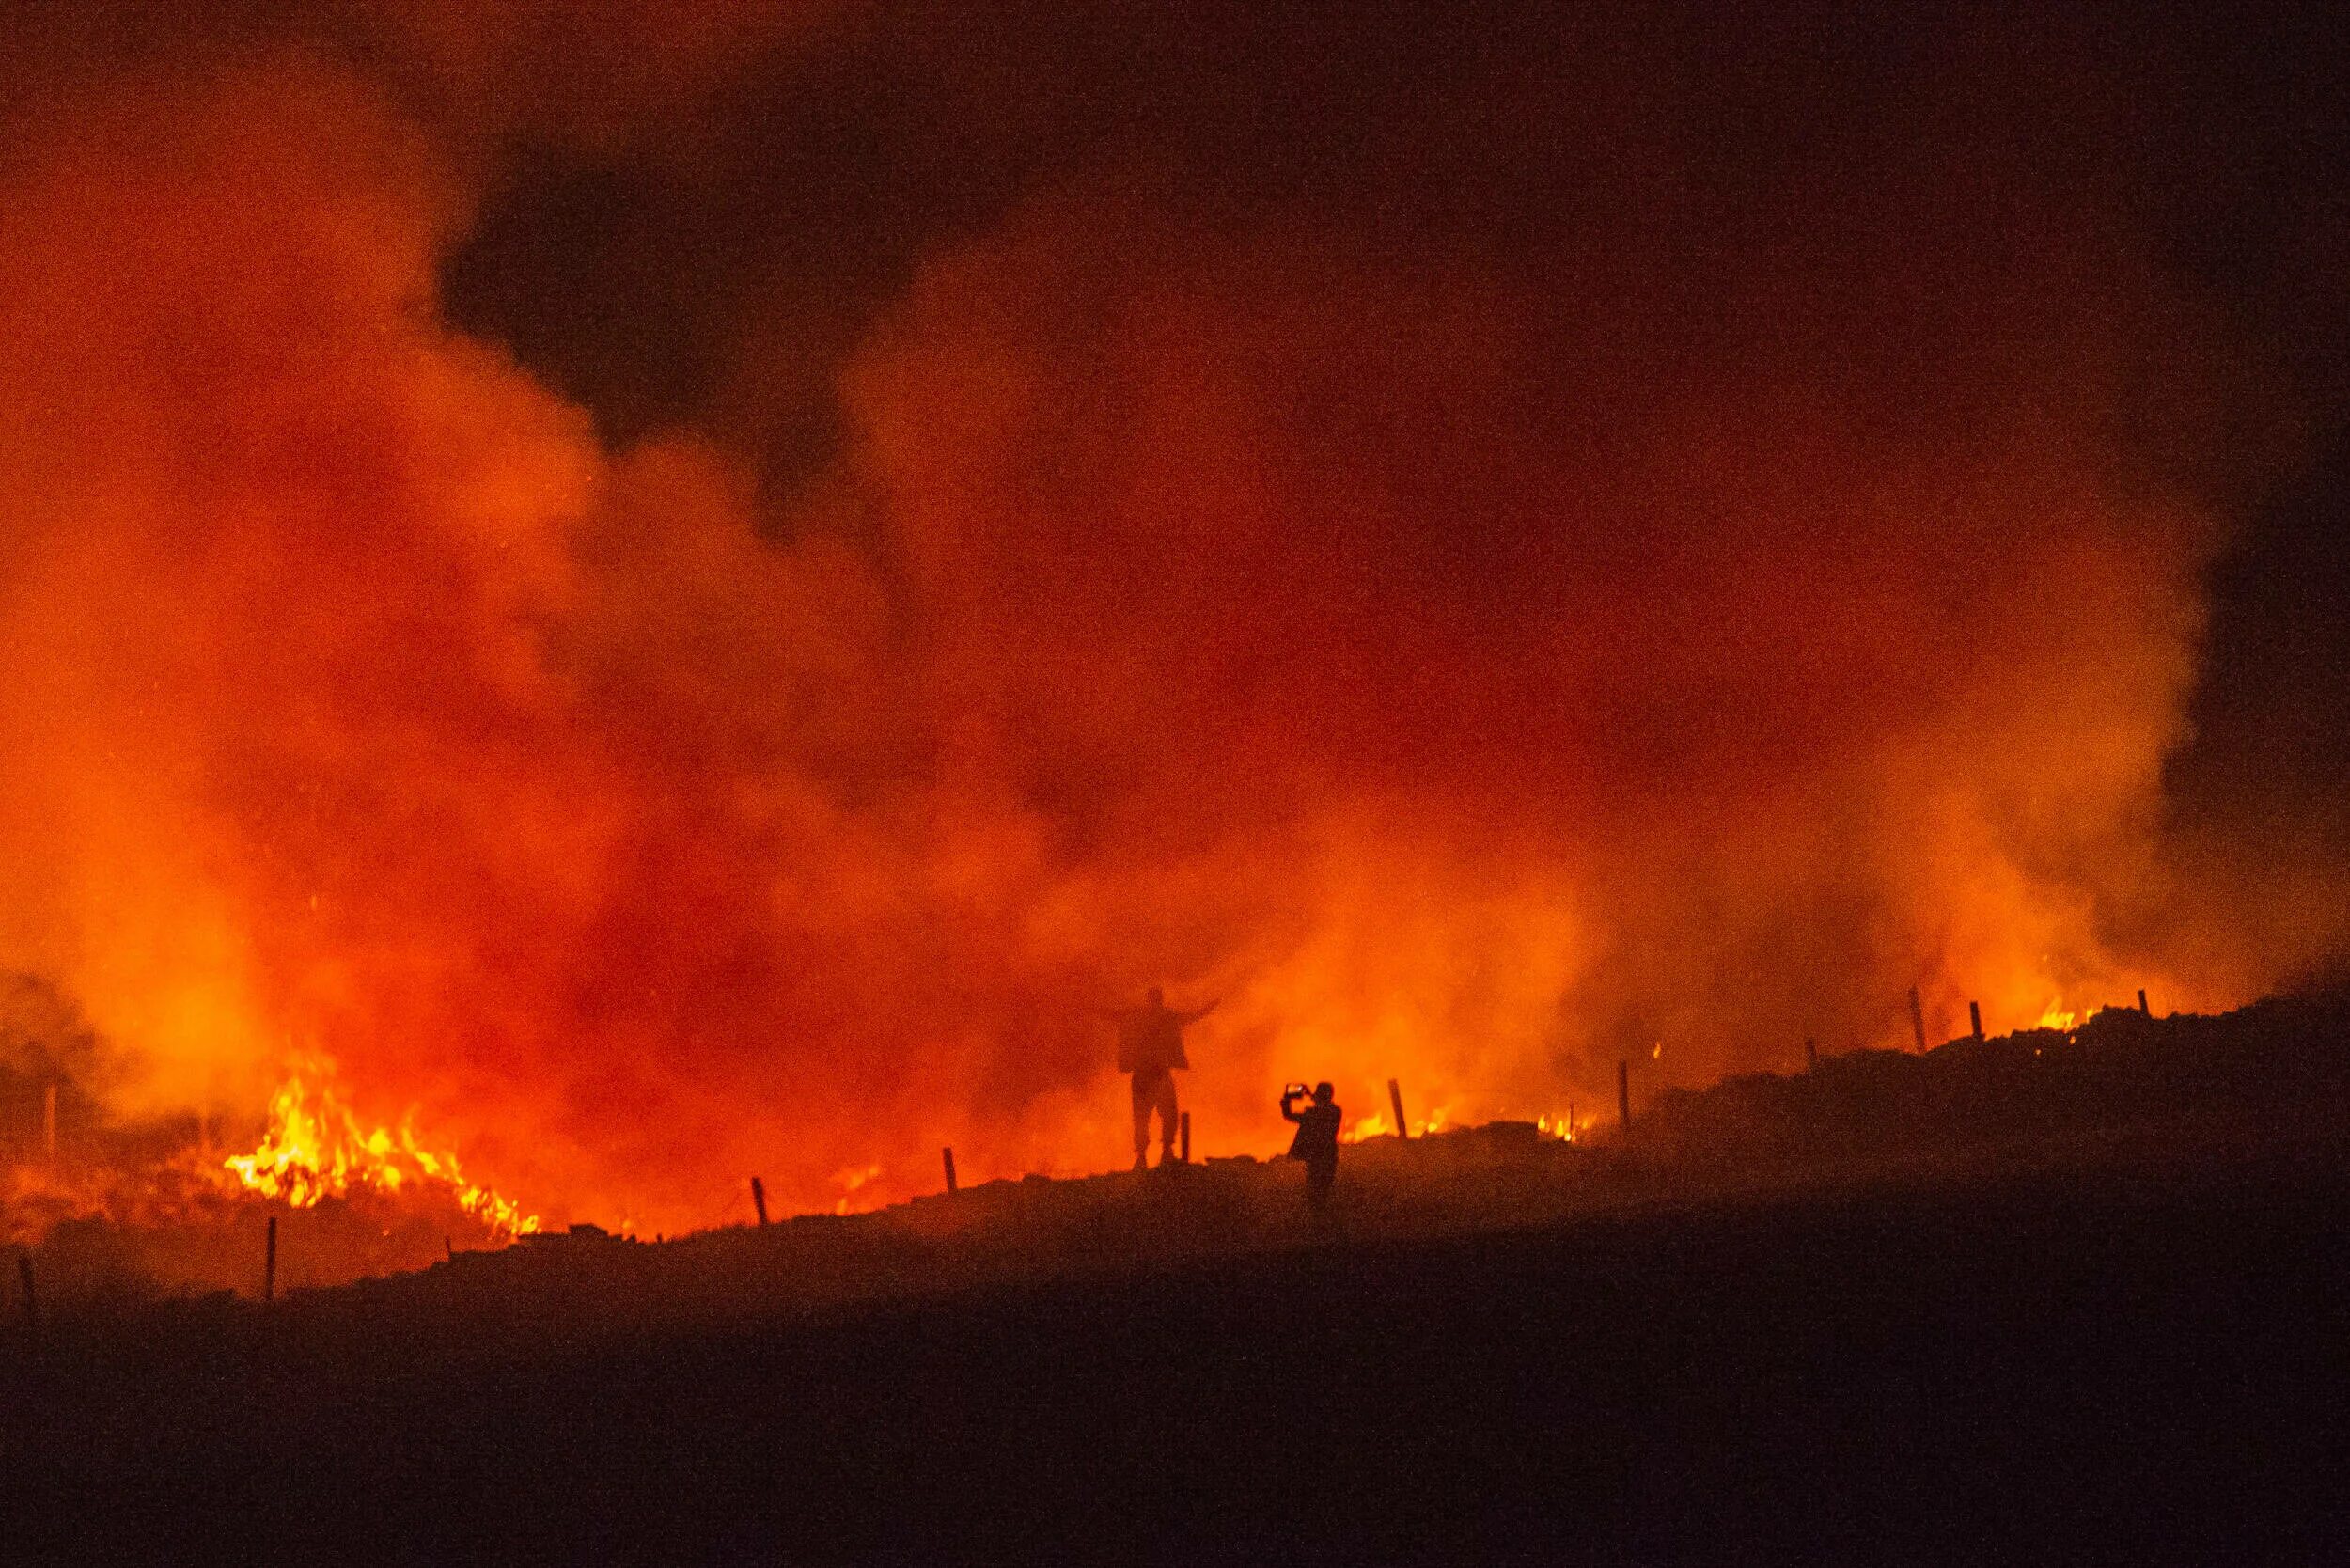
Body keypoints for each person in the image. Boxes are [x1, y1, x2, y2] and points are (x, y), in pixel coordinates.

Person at [1108, 987, 1217, 1169]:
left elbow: (1116, 1017)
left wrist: (1093, 1008)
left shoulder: (1137, 1017)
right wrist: (1208, 1009)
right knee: (1167, 1114)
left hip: (1142, 1075)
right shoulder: (1166, 1016)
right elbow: (1191, 1017)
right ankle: (1164, 1152)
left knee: (1142, 1117)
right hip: (1159, 1074)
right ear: (1159, 999)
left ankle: (1143, 1156)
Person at [1281, 1081, 1342, 1212]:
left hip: (1319, 1158)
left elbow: (1289, 1115)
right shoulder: (1334, 1111)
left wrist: (1288, 1100)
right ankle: (1321, 1219)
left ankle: (1320, 1221)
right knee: (1319, 1192)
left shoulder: (1321, 1113)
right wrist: (1311, 1096)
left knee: (1317, 1192)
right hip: (1324, 1157)